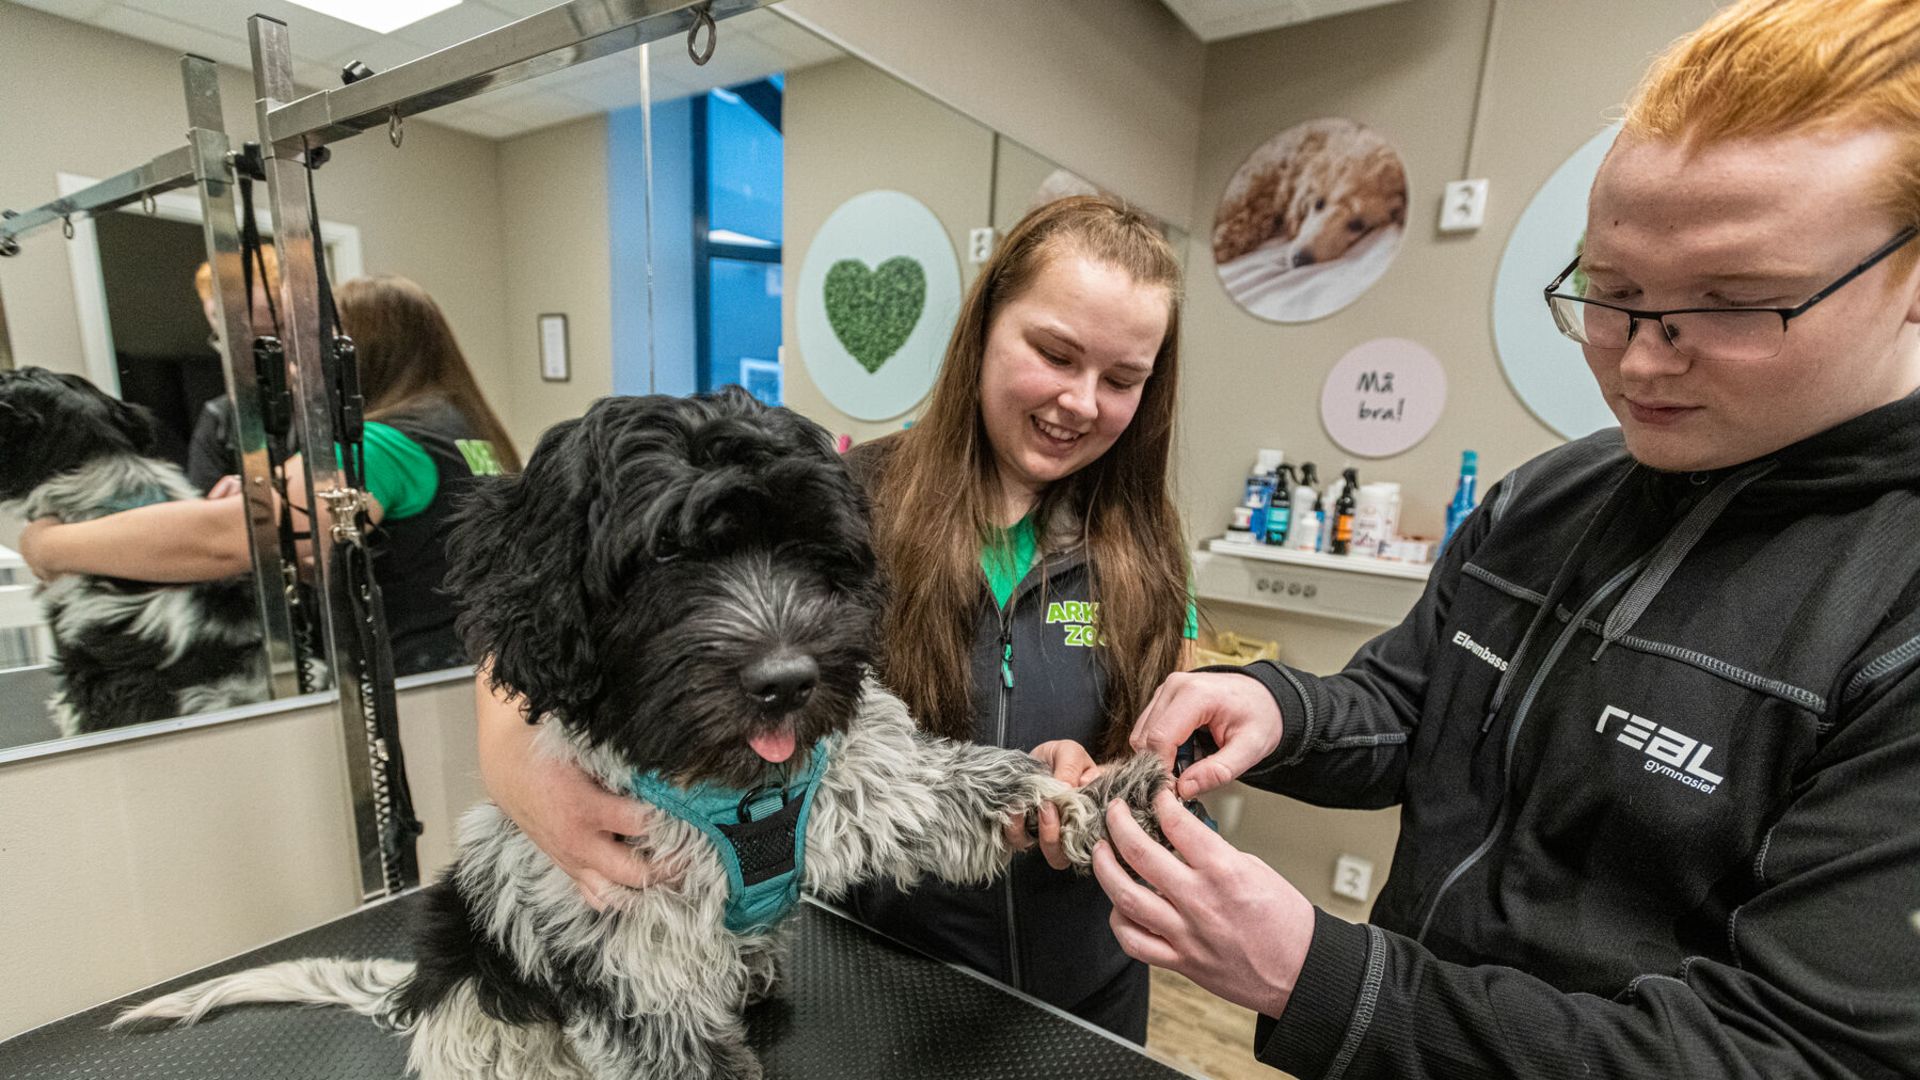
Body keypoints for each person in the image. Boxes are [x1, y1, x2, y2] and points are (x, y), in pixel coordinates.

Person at [1094, 1, 1920, 1076]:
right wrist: (1281, 708)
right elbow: (1412, 710)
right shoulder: (1549, 497)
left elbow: (1791, 1057)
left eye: (1730, 306)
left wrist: (1324, 979)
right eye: (1611, 296)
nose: (1640, 364)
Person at [471, 194, 1196, 1040]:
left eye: (1121, 379)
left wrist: (1109, 777)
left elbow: (1164, 725)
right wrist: (521, 777)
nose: (1080, 400)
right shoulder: (843, 494)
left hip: (1090, 984)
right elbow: (523, 642)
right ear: (985, 326)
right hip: (891, 971)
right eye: (1054, 353)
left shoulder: (1146, 546)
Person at [19, 273, 520, 675]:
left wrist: (47, 547)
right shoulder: (462, 428)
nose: (292, 364)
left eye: (302, 344)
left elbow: (229, 540)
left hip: (409, 677)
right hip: (465, 665)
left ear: (353, 352)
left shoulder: (379, 443)